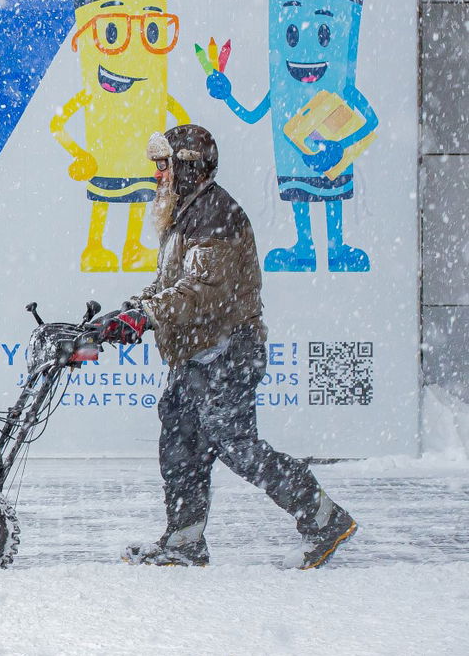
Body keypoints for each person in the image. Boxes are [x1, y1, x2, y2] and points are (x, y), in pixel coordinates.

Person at [91, 124, 357, 569]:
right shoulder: (187, 213)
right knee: (180, 442)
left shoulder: (215, 215)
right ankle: (184, 542)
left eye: (164, 165)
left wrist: (149, 316)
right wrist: (127, 313)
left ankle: (324, 518)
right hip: (197, 354)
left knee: (235, 444)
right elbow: (170, 285)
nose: (157, 173)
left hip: (229, 350)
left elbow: (201, 289)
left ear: (189, 168)